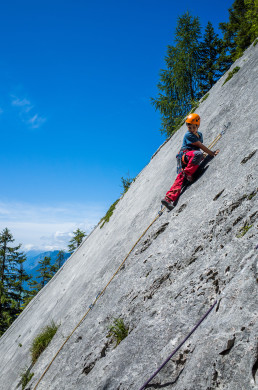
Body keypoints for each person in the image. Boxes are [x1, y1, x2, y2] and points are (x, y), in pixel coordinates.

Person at [161, 113, 219, 210]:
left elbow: (198, 146)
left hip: (190, 156)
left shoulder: (199, 135)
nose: (191, 129)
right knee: (197, 156)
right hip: (185, 156)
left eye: (193, 127)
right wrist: (211, 153)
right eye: (189, 127)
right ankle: (187, 174)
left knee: (181, 180)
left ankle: (168, 199)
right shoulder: (188, 135)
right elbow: (200, 147)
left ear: (197, 125)